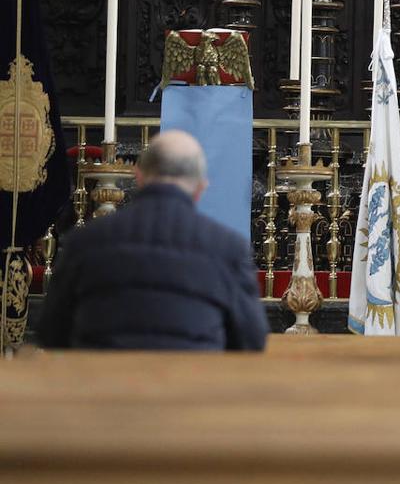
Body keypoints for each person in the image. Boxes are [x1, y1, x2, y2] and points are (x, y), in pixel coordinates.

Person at [39, 130, 267, 351]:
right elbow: (251, 340)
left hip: (105, 384)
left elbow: (51, 333)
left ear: (138, 176)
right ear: (200, 187)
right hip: (193, 383)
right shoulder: (228, 248)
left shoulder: (84, 241)